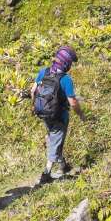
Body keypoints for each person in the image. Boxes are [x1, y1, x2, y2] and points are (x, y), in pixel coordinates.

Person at [31, 45, 86, 185]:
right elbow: (73, 102)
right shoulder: (65, 79)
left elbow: (33, 91)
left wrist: (34, 105)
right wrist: (81, 115)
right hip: (59, 116)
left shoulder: (44, 72)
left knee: (54, 137)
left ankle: (63, 165)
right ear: (67, 63)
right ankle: (46, 174)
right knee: (55, 141)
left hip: (43, 113)